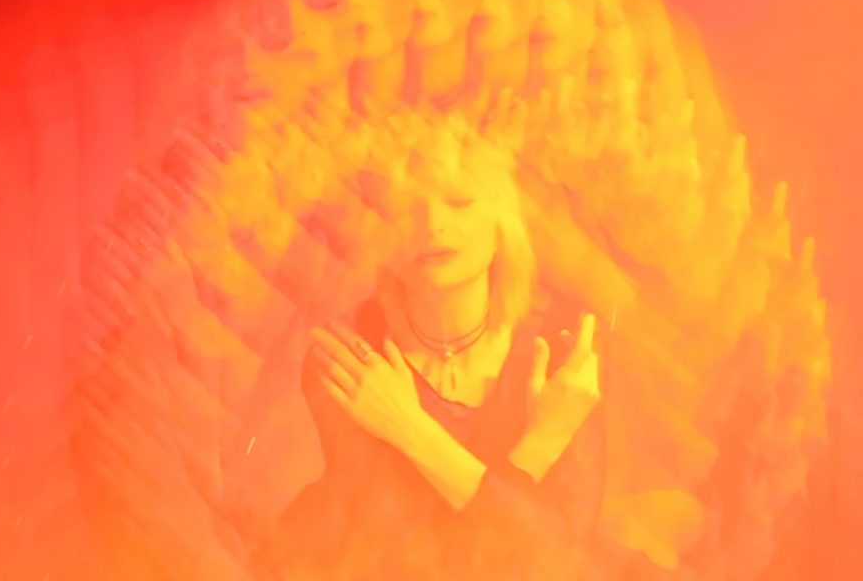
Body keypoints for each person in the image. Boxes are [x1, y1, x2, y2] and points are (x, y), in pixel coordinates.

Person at [253, 114, 609, 580]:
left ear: (502, 225)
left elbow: (555, 565)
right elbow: (425, 563)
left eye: (459, 201)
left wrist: (408, 428)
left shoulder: (561, 358)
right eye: (407, 207)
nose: (434, 224)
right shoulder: (347, 355)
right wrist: (538, 448)